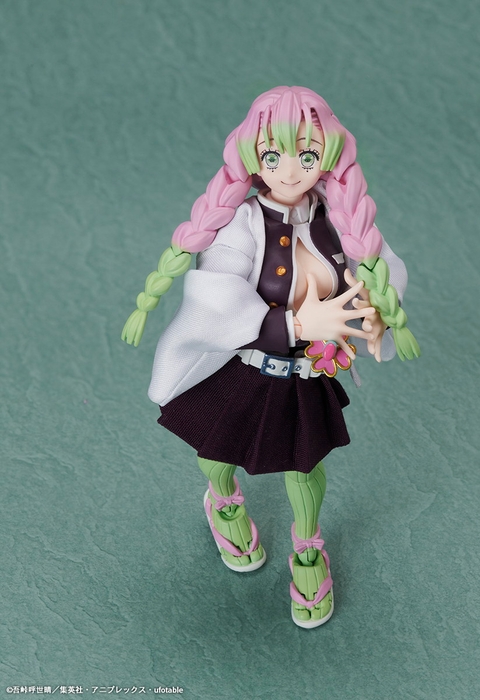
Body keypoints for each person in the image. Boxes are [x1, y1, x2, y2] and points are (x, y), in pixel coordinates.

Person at [122, 86, 419, 628]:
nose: (289, 170)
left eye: (307, 155)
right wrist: (298, 324)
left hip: (306, 373)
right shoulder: (241, 223)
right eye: (272, 155)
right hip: (246, 369)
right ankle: (223, 500)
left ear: (328, 157)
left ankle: (307, 549)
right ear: (252, 157)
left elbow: (377, 271)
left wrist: (375, 315)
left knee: (305, 466)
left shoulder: (339, 220)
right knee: (217, 450)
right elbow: (217, 296)